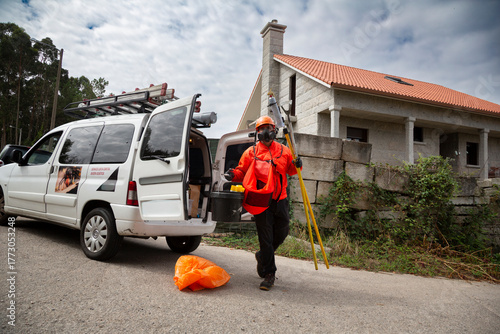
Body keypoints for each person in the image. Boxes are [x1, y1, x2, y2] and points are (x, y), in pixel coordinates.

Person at [225, 115, 302, 291]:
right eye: (262, 129)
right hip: (261, 201)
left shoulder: (284, 150)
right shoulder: (250, 153)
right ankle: (269, 274)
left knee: (282, 231)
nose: (265, 132)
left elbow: (292, 170)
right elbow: (241, 172)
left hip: (280, 198)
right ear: (257, 132)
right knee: (265, 238)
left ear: (274, 131)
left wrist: (298, 164)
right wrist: (232, 175)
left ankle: (262, 256)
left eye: (269, 128)